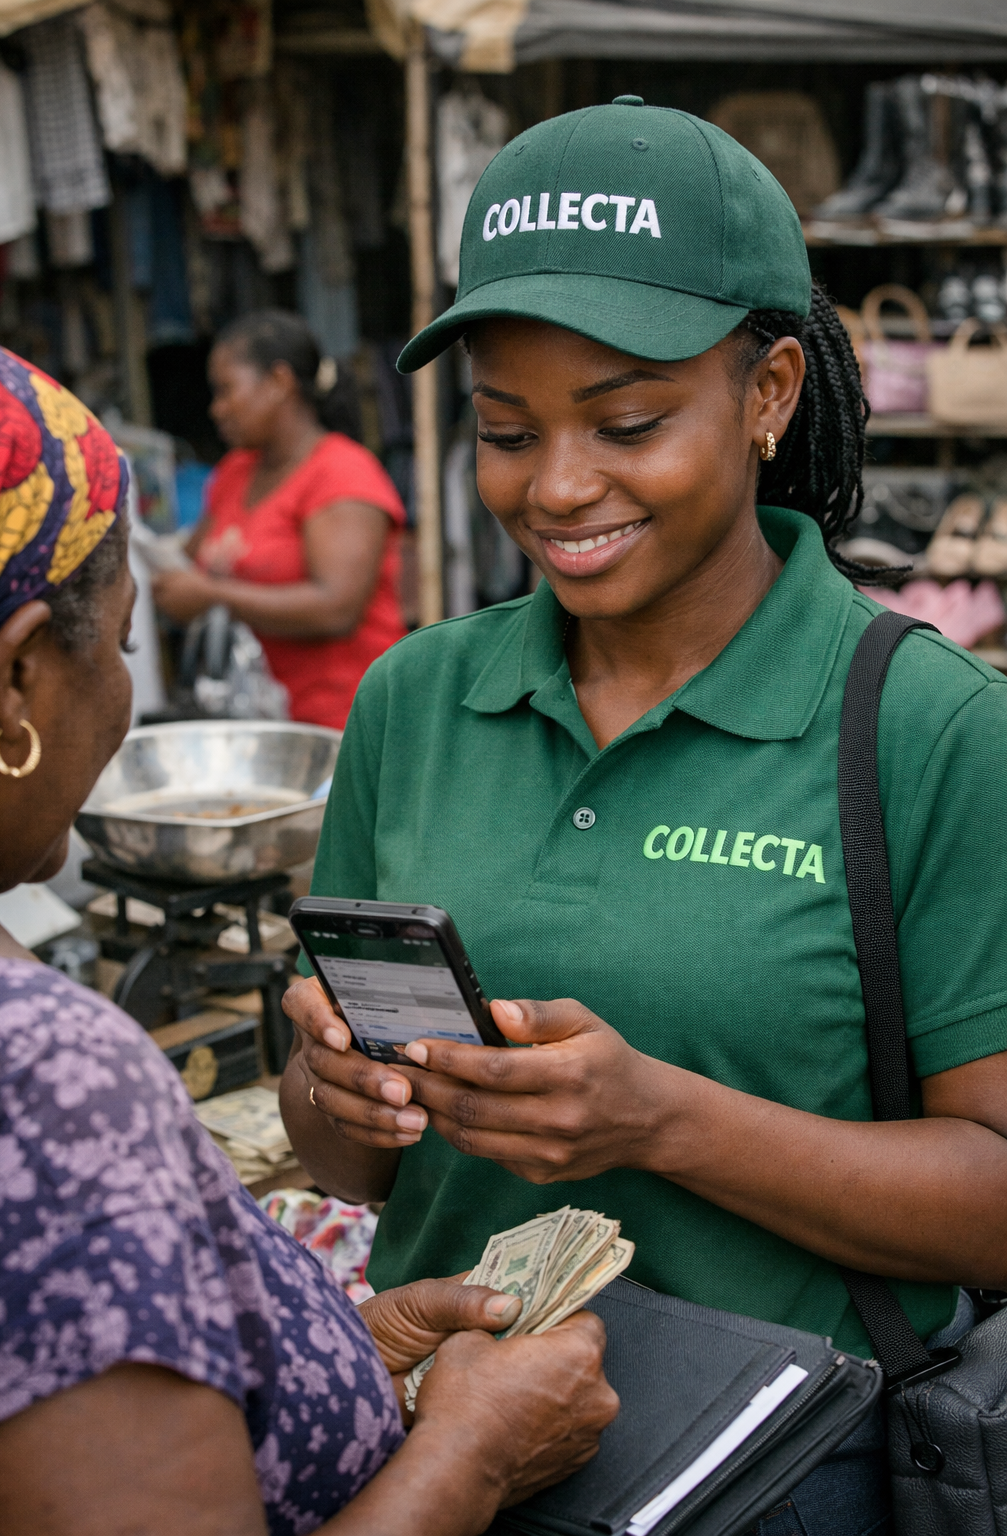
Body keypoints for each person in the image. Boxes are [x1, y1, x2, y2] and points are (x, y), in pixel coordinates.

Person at [280, 100, 1007, 1536]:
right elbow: (352, 1164)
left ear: (770, 391)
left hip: (794, 1483)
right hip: (440, 1460)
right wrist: (335, 1087)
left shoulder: (931, 728)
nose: (557, 488)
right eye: (505, 429)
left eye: (627, 422)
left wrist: (657, 1121)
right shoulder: (415, 699)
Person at [0, 337, 618, 1535]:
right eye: (121, 647)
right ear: (19, 678)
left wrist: (330, 1348)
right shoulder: (39, 1073)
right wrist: (473, 1450)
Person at [152, 311, 406, 730]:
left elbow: (336, 608)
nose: (216, 409)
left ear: (279, 383)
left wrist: (214, 596)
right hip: (263, 719)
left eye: (226, 390)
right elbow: (194, 562)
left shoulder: (342, 474)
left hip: (347, 723)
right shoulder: (235, 472)